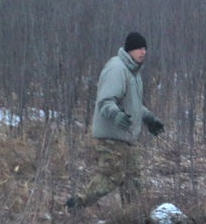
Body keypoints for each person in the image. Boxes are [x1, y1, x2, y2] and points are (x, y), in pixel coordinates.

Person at [67, 32, 165, 211]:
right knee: (110, 177)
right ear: (129, 50)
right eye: (138, 48)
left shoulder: (133, 71)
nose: (143, 52)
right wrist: (117, 116)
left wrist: (149, 119)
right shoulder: (117, 68)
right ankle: (76, 203)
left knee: (134, 182)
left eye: (145, 48)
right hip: (112, 136)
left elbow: (133, 105)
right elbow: (105, 101)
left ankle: (133, 223)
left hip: (127, 138)